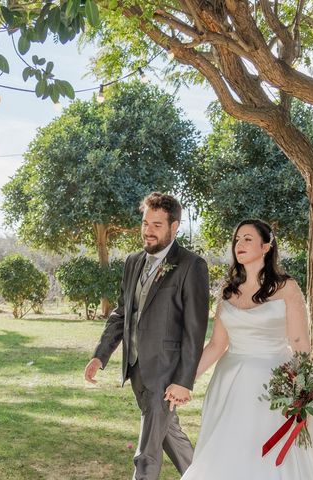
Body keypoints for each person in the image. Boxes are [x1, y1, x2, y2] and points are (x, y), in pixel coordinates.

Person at [181, 219, 313, 479]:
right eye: (236, 240)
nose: (239, 244)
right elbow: (216, 345)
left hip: (275, 382)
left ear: (266, 246)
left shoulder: (286, 287)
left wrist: (304, 387)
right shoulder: (228, 292)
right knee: (229, 446)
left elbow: (299, 343)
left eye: (247, 239)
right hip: (230, 383)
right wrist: (186, 380)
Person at [84, 192, 209, 480]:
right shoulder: (132, 261)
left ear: (174, 227)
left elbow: (195, 329)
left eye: (156, 225)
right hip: (136, 367)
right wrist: (99, 356)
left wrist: (183, 380)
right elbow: (121, 314)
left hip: (167, 372)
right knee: (169, 435)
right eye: (144, 223)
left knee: (146, 453)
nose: (148, 231)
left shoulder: (192, 265)